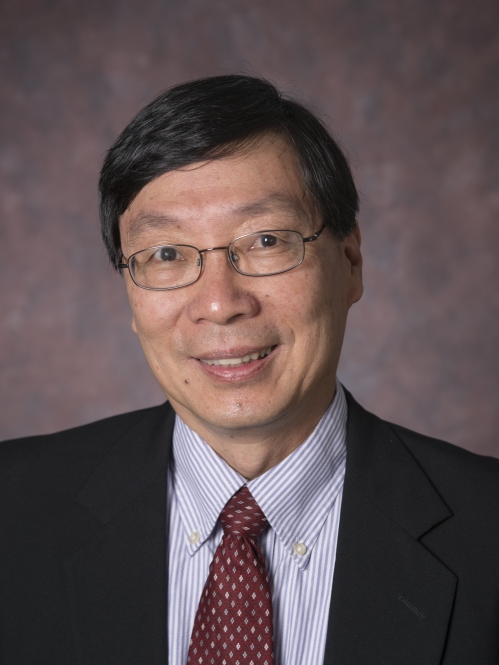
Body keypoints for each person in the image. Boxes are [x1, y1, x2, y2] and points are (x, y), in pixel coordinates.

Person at [1, 75, 498, 665]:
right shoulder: (14, 512)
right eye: (165, 254)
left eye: (265, 240)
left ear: (350, 262)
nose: (220, 302)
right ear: (128, 293)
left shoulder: (485, 531)